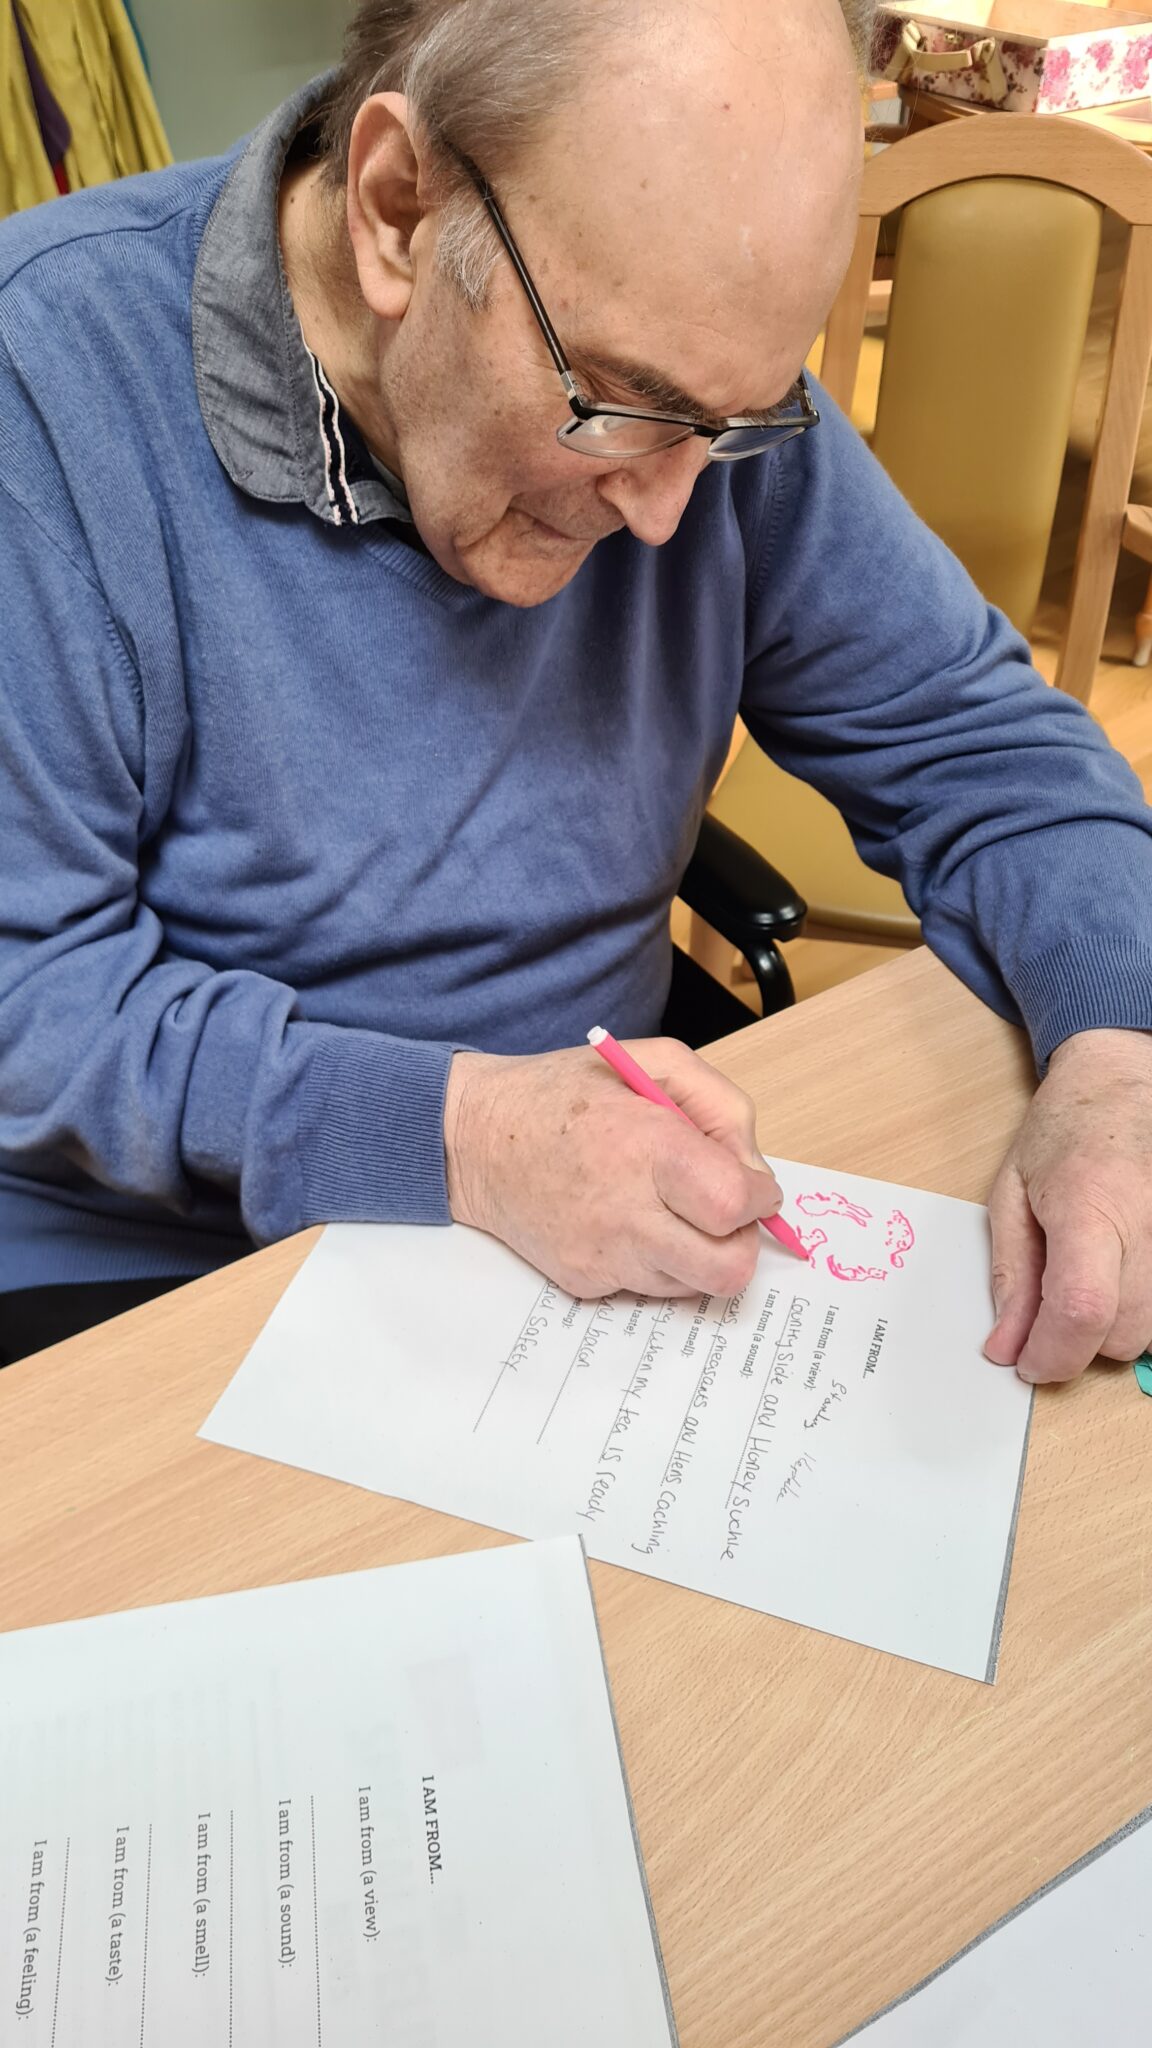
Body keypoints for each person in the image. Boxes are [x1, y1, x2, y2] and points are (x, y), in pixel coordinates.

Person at [1, 0, 1150, 1382]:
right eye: (620, 400)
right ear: (395, 210)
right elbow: (33, 1004)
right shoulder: (43, 394)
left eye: (731, 422)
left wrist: (1120, 1048)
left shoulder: (698, 411)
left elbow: (988, 751)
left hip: (577, 1243)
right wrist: (462, 1137)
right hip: (145, 1275)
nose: (671, 516)